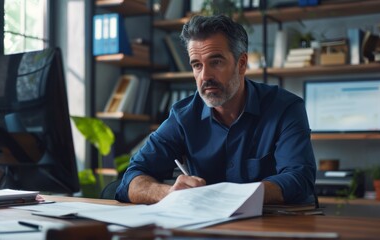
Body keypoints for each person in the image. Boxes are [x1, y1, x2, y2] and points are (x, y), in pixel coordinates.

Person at [115, 14, 316, 205]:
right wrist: (168, 193)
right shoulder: (183, 117)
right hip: (209, 226)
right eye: (197, 65)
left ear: (242, 64)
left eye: (216, 62)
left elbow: (299, 178)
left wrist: (232, 196)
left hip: (274, 225)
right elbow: (132, 177)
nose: (205, 76)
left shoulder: (286, 108)